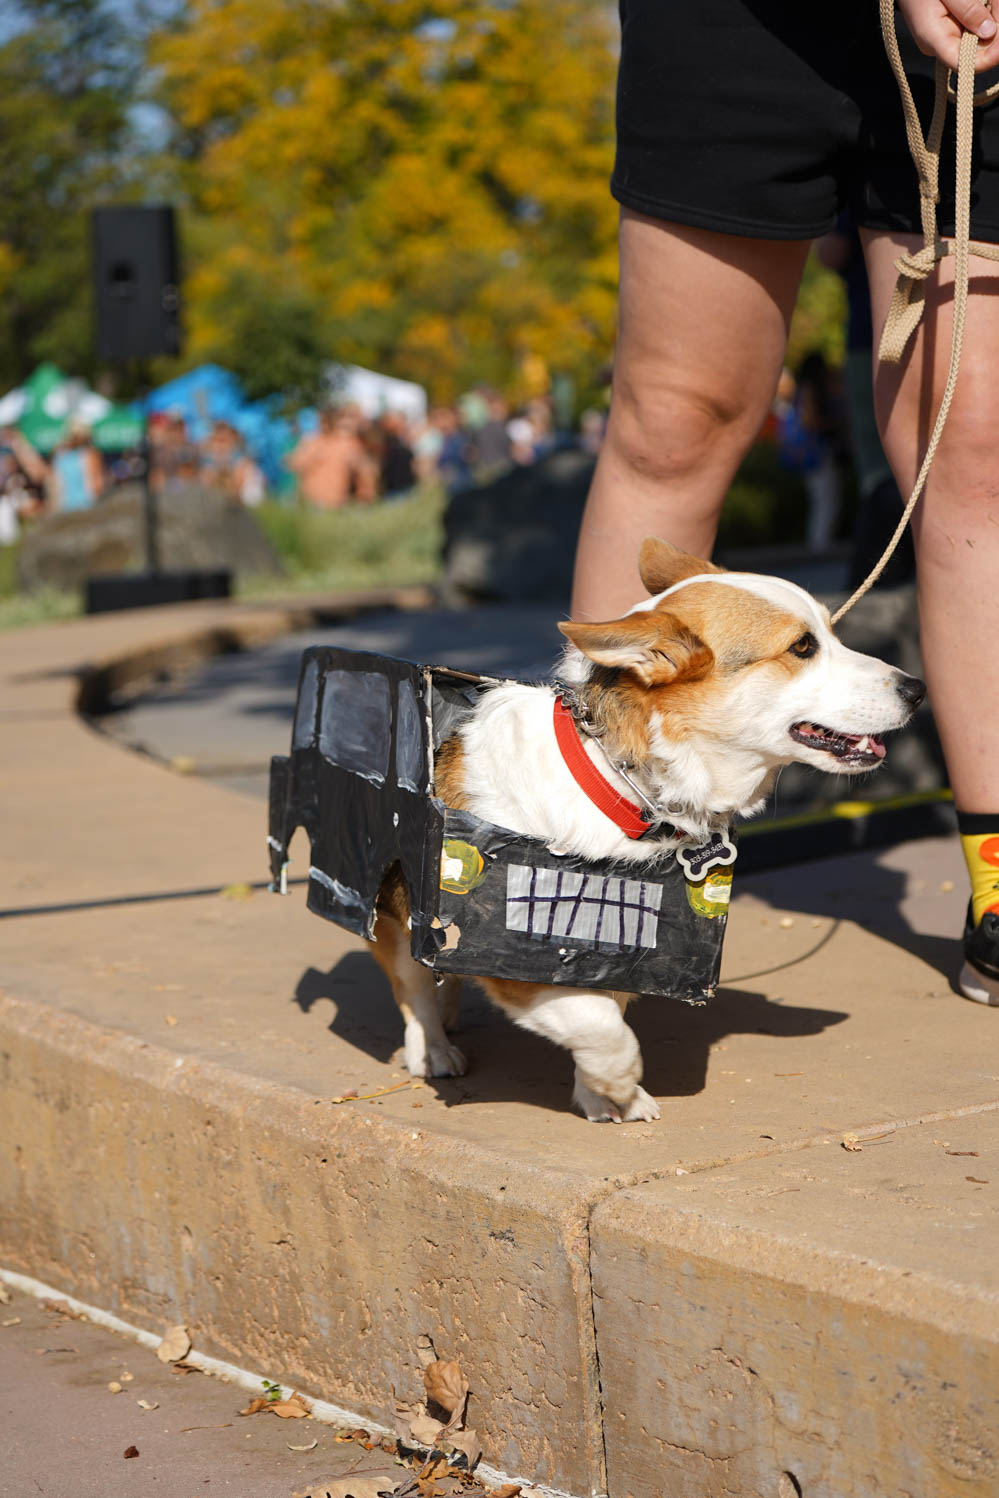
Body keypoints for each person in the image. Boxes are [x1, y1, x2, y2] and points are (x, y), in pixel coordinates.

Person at [570, 0, 999, 1005]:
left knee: (975, 448)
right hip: (743, 21)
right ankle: (595, 866)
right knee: (675, 421)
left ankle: (996, 887)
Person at [285, 406, 377, 508]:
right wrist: (365, 497)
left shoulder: (314, 442)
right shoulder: (347, 444)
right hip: (330, 501)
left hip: (318, 500)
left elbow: (293, 464)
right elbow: (366, 470)